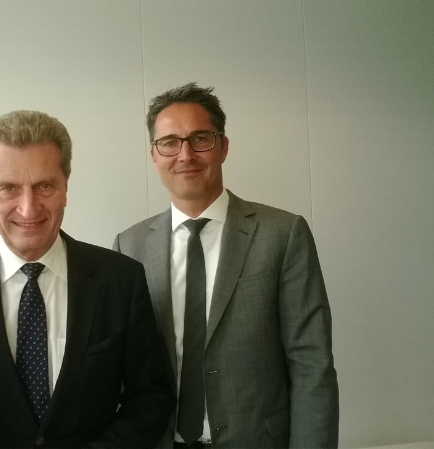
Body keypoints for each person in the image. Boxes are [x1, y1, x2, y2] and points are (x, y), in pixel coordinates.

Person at [0, 110, 174, 448]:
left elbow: (151, 397)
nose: (29, 208)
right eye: (9, 188)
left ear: (65, 187)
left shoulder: (120, 280)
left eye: (44, 186)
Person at [113, 83, 339, 449]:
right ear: (154, 155)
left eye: (200, 138)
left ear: (223, 146)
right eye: (169, 142)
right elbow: (119, 369)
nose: (185, 154)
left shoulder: (282, 234)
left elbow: (311, 363)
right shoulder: (130, 246)